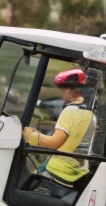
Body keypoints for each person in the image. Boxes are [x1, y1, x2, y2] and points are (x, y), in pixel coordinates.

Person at [22, 67, 94, 198]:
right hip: (77, 172)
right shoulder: (90, 115)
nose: (62, 95)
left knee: (24, 191)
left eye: (63, 91)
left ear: (69, 90)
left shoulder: (70, 111)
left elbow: (54, 143)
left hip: (58, 174)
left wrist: (31, 136)